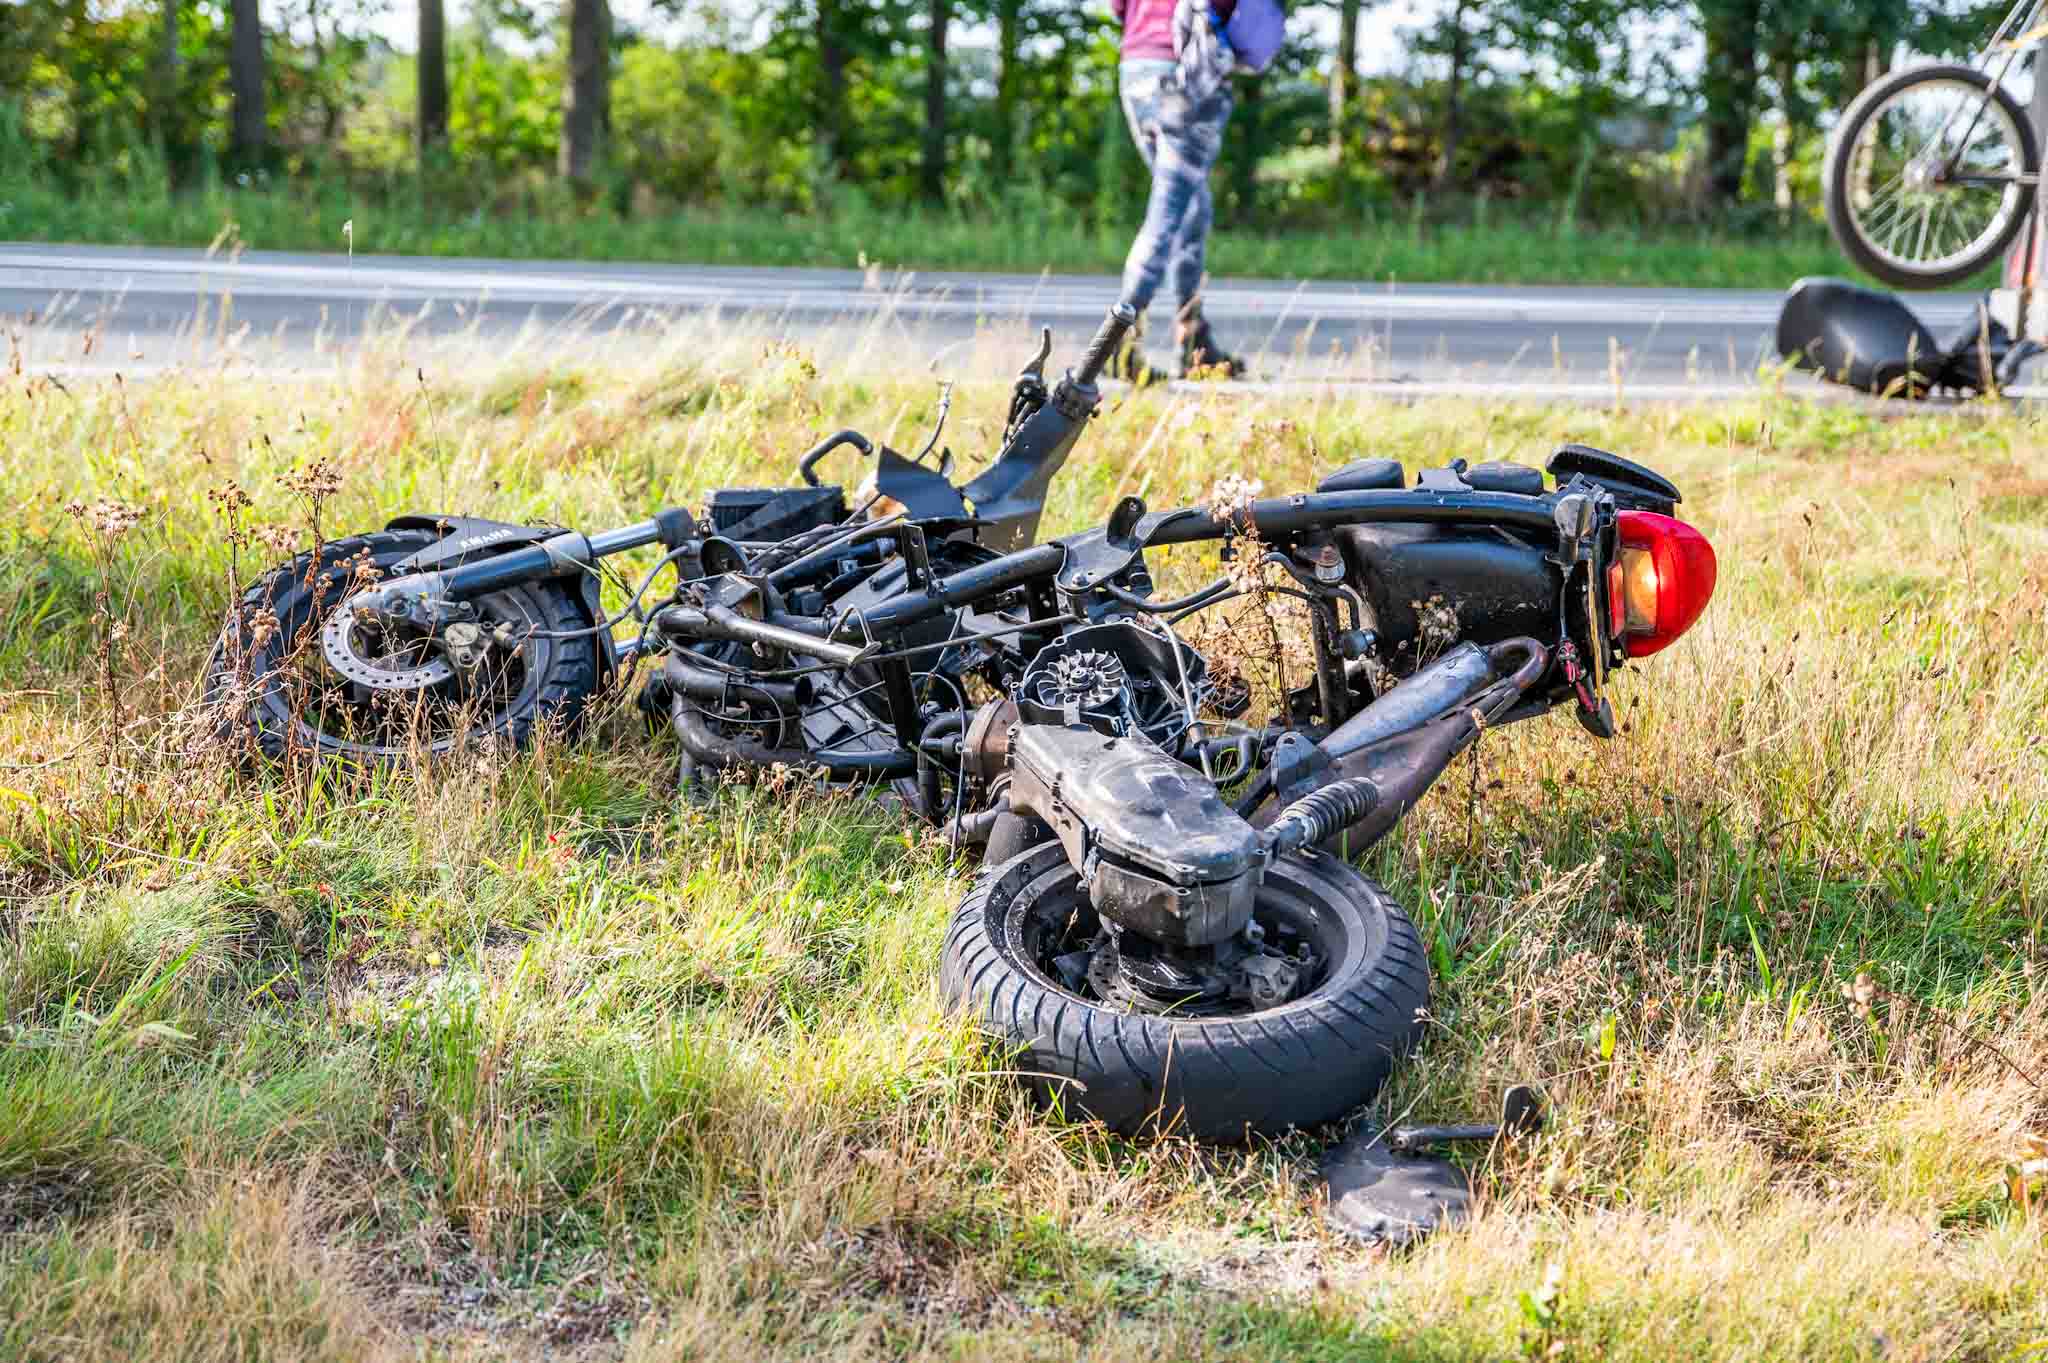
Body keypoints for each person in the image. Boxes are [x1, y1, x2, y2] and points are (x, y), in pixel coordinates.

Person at [1110, 0, 1245, 379]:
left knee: (1192, 207)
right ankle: (1116, 342)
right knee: (1169, 211)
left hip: (1137, 65)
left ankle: (1193, 339)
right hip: (1186, 67)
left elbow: (1119, 7)